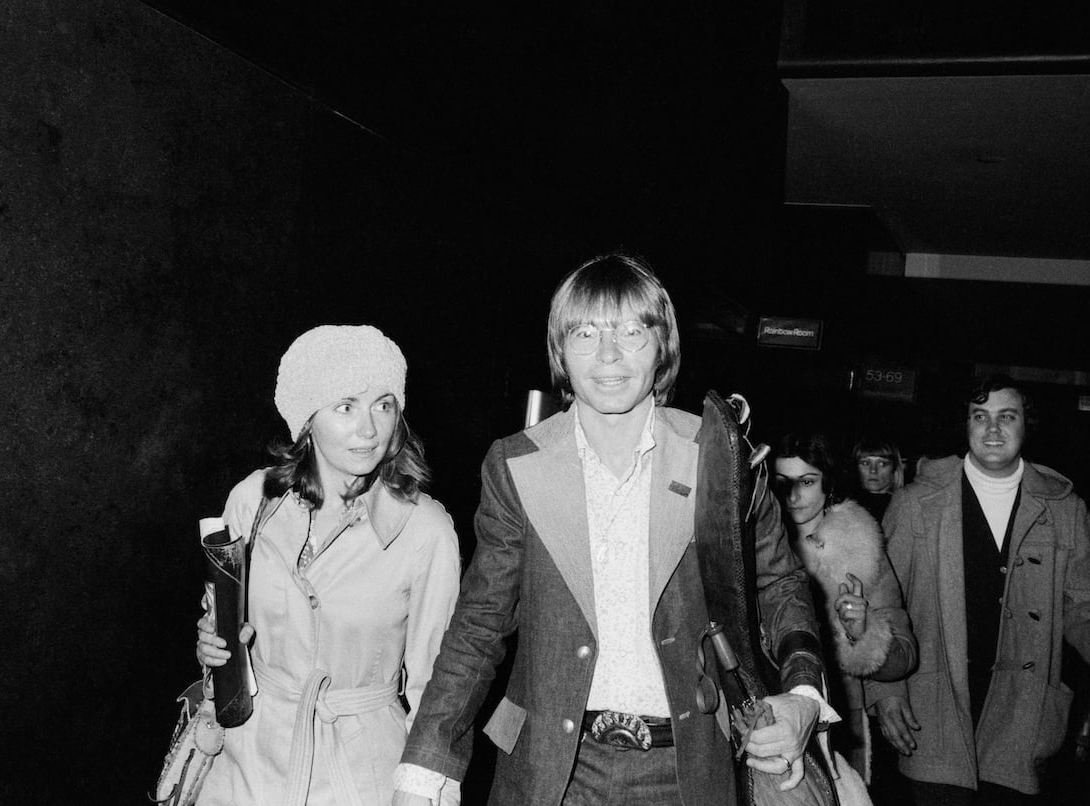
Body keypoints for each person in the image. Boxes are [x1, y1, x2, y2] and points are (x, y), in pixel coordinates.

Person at [393, 251, 835, 806]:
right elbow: (479, 625)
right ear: (560, 351)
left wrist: (802, 694)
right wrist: (425, 768)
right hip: (549, 771)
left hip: (688, 765)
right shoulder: (515, 464)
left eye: (631, 330)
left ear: (663, 346)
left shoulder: (717, 457)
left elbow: (780, 585)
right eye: (585, 333)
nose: (608, 354)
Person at [194, 325, 462, 806]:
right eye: (345, 406)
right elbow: (222, 626)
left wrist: (423, 791)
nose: (369, 429)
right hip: (247, 765)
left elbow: (438, 692)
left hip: (363, 775)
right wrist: (212, 648)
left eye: (384, 405)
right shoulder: (252, 502)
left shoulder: (426, 531)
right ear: (306, 420)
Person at [865, 375, 1090, 805]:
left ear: (1027, 425)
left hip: (1023, 716)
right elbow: (881, 604)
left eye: (1007, 417)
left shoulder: (1066, 510)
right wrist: (886, 691)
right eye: (980, 416)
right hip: (933, 710)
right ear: (965, 424)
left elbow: (1083, 608)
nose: (992, 429)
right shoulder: (916, 503)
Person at [773, 432, 917, 794]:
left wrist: (861, 631)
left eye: (807, 482)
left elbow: (904, 655)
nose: (793, 496)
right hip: (765, 719)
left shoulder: (861, 545)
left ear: (828, 484)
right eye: (782, 483)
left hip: (833, 726)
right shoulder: (752, 543)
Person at [850, 436, 906, 523]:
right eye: (865, 463)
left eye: (882, 463)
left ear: (894, 468)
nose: (873, 470)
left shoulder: (906, 506)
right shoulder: (845, 509)